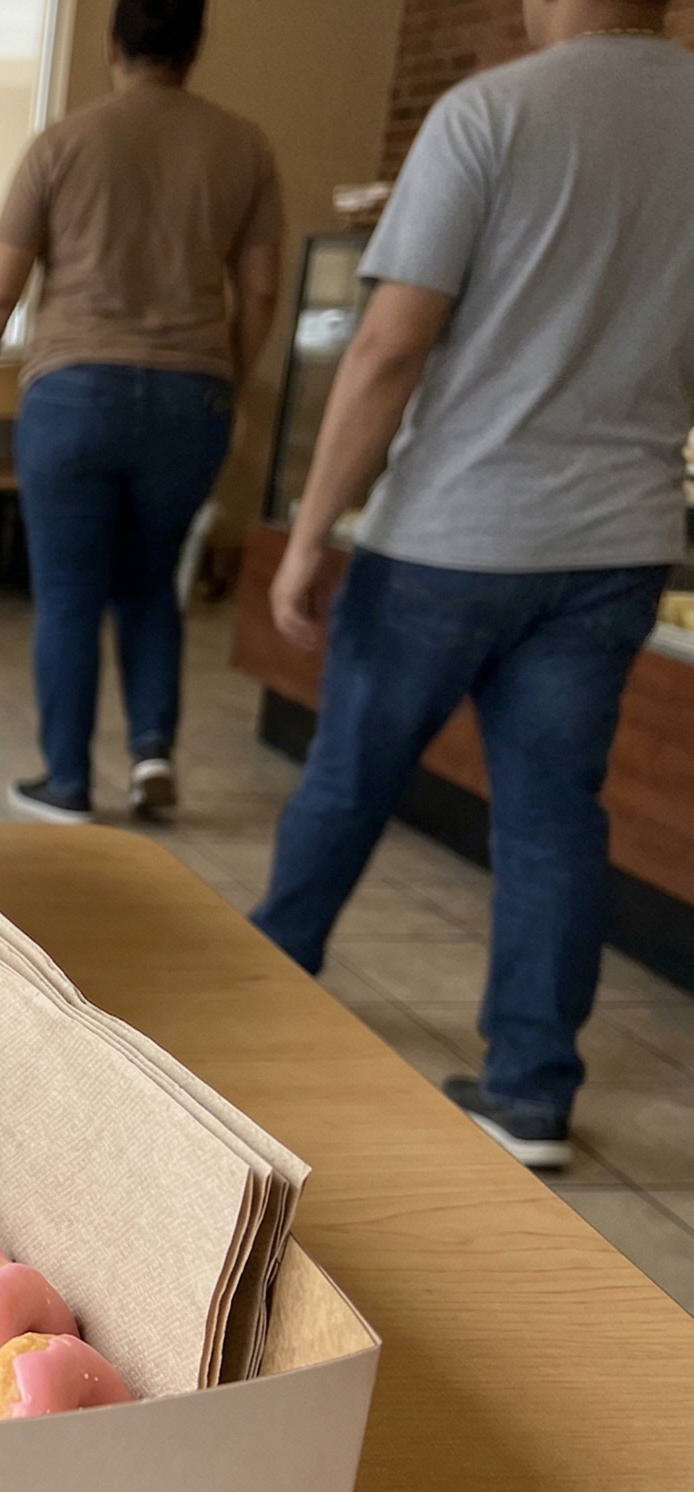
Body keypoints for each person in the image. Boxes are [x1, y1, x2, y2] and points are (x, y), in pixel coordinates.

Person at [252, 0, 694, 1169]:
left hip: (454, 530)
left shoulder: (490, 111)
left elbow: (392, 343)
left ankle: (256, 1003)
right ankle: (531, 1089)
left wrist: (308, 532)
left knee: (350, 774)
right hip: (619, 537)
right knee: (554, 817)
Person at [0, 0, 282, 827]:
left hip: (73, 393)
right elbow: (262, 289)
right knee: (148, 582)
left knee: (69, 594)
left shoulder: (62, 143)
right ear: (196, 46)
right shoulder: (244, 145)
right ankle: (153, 751)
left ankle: (68, 782)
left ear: (110, 43)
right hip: (189, 397)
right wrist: (223, 376)